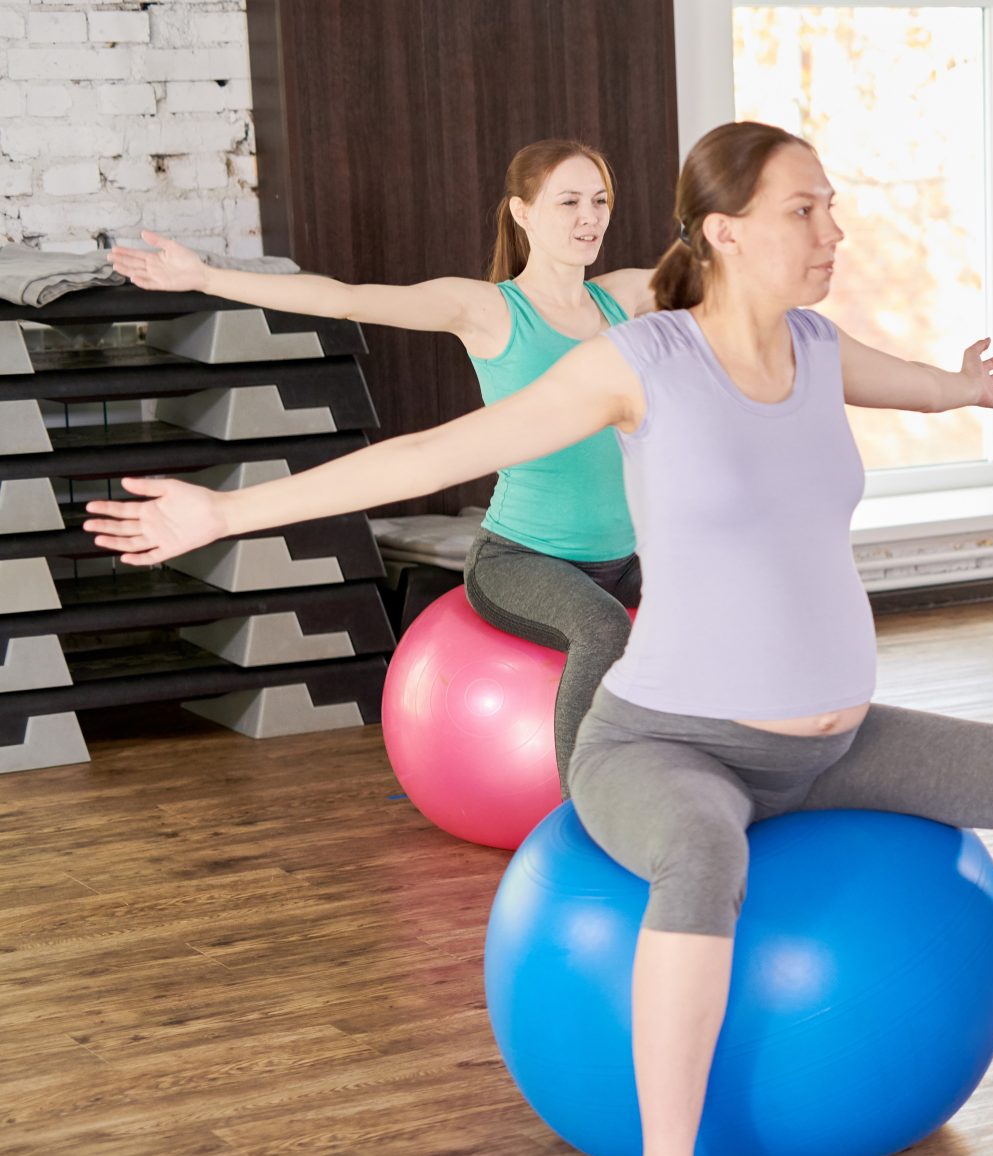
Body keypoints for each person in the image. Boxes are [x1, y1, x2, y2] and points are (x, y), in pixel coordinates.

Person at [89, 121, 993, 1156]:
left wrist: (958, 385)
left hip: (832, 739)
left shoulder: (811, 345)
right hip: (665, 741)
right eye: (805, 209)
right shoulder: (640, 359)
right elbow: (438, 450)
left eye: (833, 205)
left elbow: (890, 380)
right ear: (725, 231)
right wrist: (224, 516)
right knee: (703, 857)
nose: (832, 229)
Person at [113, 139, 652, 786]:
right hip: (524, 559)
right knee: (600, 630)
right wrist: (206, 277)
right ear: (523, 213)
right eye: (568, 201)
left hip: (624, 557)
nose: (589, 216)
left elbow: (730, 274)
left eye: (599, 201)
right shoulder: (487, 309)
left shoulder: (627, 298)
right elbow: (345, 298)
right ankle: (588, 818)